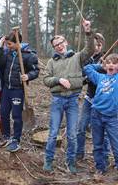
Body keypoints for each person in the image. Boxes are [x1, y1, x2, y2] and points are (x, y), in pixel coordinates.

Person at [43, 19, 94, 173]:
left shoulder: (77, 57)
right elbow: (46, 80)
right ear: (54, 47)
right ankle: (48, 161)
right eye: (56, 44)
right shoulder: (51, 62)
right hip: (57, 100)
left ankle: (71, 162)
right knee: (53, 133)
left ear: (66, 42)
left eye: (61, 42)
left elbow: (90, 49)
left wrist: (87, 31)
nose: (59, 45)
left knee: (72, 134)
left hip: (73, 100)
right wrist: (59, 80)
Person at [0, 30, 39, 152]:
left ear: (17, 42)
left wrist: (28, 76)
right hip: (6, 88)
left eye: (9, 44)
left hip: (18, 90)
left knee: (16, 115)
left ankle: (16, 139)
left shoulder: (28, 55)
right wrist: (0, 46)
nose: (8, 46)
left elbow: (36, 71)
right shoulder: (8, 53)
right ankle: (6, 136)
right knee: (4, 113)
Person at [76, 33, 110, 161]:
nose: (97, 48)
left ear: (102, 45)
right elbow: (83, 78)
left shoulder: (108, 58)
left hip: (103, 100)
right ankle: (79, 153)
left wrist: (103, 66)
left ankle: (104, 157)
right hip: (89, 97)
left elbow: (111, 75)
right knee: (81, 127)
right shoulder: (86, 59)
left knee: (103, 131)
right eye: (95, 45)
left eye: (99, 45)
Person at [84, 53, 118, 175]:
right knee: (97, 144)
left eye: (114, 63)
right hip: (96, 115)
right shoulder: (100, 77)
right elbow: (87, 68)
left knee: (116, 144)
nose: (111, 65)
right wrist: (100, 66)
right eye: (108, 62)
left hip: (112, 117)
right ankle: (100, 167)